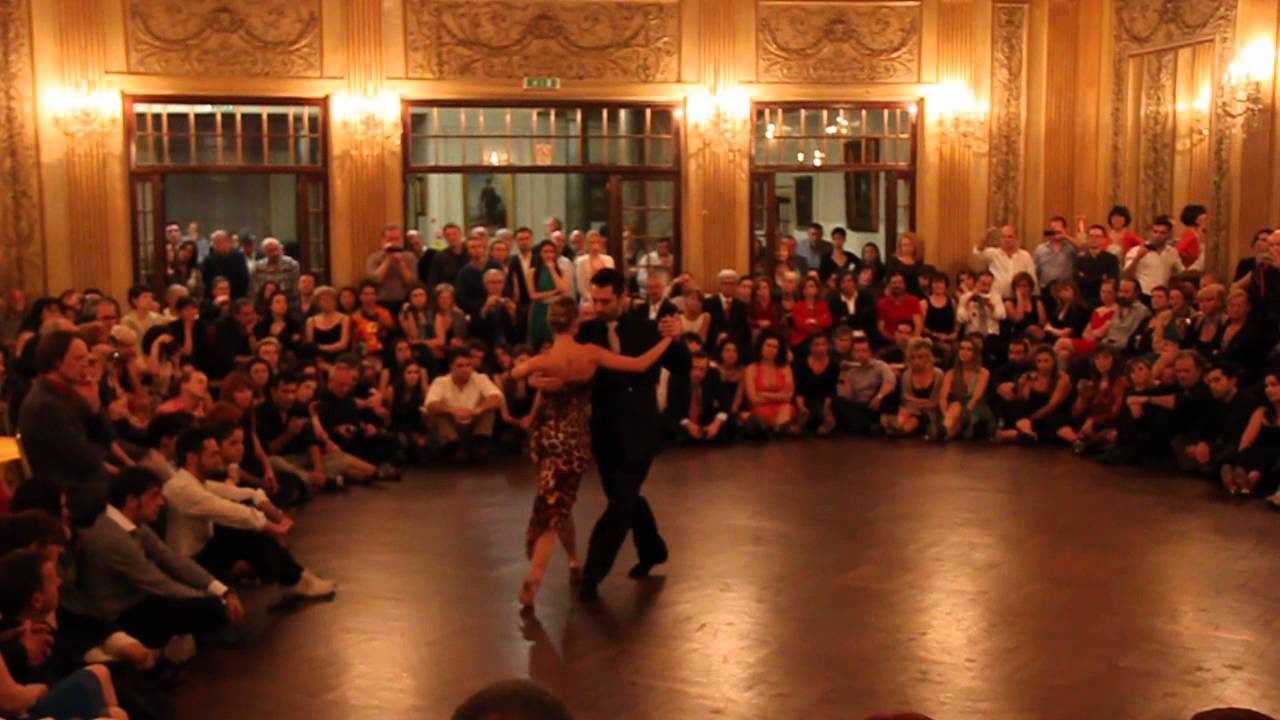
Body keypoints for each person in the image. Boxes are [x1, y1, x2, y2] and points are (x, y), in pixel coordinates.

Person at [507, 297, 677, 606]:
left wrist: (538, 380)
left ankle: (542, 570)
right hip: (575, 440)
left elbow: (516, 375)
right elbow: (639, 364)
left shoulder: (546, 357)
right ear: (575, 324)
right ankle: (567, 563)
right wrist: (666, 340)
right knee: (559, 504)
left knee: (553, 505)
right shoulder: (591, 353)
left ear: (551, 323)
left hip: (547, 436)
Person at [569, 268, 688, 600]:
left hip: (640, 429)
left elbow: (681, 367)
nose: (599, 305)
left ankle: (593, 575)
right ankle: (652, 551)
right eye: (595, 299)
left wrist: (676, 339)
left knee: (621, 501)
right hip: (605, 430)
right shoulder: (587, 333)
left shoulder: (646, 328)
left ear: (623, 296)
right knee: (625, 498)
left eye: (606, 300)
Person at [69, 466, 243, 652]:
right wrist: (217, 601)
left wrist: (222, 590)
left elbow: (170, 559)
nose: (161, 502)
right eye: (154, 496)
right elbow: (158, 583)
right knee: (205, 608)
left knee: (201, 595)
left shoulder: (131, 523)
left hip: (138, 600)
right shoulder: (114, 538)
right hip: (119, 616)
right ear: (132, 501)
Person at [163, 427, 336, 598]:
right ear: (192, 458)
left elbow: (244, 493)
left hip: (203, 547)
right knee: (248, 530)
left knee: (248, 523)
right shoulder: (182, 489)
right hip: (190, 562)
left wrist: (271, 510)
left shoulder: (193, 482)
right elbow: (229, 510)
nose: (219, 460)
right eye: (213, 455)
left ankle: (294, 577)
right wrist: (271, 526)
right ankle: (295, 580)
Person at [0, 550, 130, 720]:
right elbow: (12, 700)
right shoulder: (29, 640)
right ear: (37, 600)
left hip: (36, 696)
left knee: (102, 674)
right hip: (27, 706)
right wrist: (22, 652)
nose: (60, 582)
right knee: (114, 706)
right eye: (53, 581)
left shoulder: (23, 630)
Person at [17, 330, 109, 525]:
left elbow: (104, 442)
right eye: (78, 358)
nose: (86, 364)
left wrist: (95, 409)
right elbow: (84, 458)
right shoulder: (46, 406)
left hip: (83, 481)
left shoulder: (66, 395)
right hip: (71, 494)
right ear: (57, 363)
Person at [424, 348, 504, 463]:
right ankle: (453, 446)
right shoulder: (440, 382)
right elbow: (430, 404)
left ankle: (480, 444)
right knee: (438, 410)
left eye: (468, 365)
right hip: (452, 424)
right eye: (460, 366)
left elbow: (497, 397)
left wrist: (477, 410)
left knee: (489, 405)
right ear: (451, 367)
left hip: (473, 421)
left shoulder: (480, 378)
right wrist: (453, 410)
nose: (465, 369)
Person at [994, 344, 1072, 443]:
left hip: (1049, 414)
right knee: (1014, 404)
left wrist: (1031, 417)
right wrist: (1021, 385)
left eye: (1046, 361)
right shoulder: (1031, 376)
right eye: (1039, 361)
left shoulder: (1062, 378)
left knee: (1055, 421)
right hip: (1028, 418)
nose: (1043, 364)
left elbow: (1053, 404)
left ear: (1054, 362)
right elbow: (1023, 400)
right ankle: (1026, 432)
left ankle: (1076, 441)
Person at [833, 332, 896, 434]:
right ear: (852, 353)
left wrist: (879, 396)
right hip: (857, 407)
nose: (860, 354)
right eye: (857, 351)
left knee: (889, 395)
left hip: (874, 403)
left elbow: (890, 380)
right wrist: (844, 375)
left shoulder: (879, 365)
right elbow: (848, 396)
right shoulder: (848, 370)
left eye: (864, 351)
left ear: (870, 352)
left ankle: (866, 426)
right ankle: (870, 426)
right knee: (838, 402)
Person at [882, 337, 943, 438]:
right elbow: (905, 398)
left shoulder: (938, 374)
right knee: (910, 416)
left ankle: (895, 426)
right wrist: (919, 402)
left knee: (913, 414)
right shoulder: (907, 375)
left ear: (928, 357)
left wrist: (914, 400)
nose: (916, 361)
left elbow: (936, 401)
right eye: (913, 358)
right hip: (912, 411)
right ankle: (897, 427)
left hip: (930, 413)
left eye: (920, 357)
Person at [740, 332, 796, 435]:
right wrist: (779, 396)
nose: (771, 349)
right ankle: (778, 428)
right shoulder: (751, 368)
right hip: (760, 409)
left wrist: (765, 394)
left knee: (787, 407)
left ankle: (777, 428)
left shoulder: (785, 367)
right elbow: (754, 399)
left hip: (782, 408)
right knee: (761, 415)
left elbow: (788, 397)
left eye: (775, 347)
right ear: (761, 346)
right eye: (768, 345)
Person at [939, 334, 992, 441]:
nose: (964, 352)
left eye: (969, 349)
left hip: (976, 409)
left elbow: (976, 398)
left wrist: (962, 416)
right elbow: (943, 397)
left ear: (975, 353)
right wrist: (946, 414)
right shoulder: (950, 373)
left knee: (957, 408)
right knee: (955, 405)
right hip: (954, 411)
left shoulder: (983, 373)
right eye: (962, 348)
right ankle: (947, 429)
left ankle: (947, 430)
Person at [1123, 215, 1184, 299]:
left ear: (1169, 234)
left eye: (1162, 233)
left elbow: (1180, 272)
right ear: (1150, 232)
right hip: (1142, 295)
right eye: (1155, 232)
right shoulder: (1136, 250)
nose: (1158, 235)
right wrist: (1137, 257)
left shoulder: (1172, 252)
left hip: (1162, 296)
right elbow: (1126, 275)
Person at [527, 240, 572, 350]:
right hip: (539, 309)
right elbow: (533, 295)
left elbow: (564, 290)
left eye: (551, 252)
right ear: (540, 254)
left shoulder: (561, 271)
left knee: (556, 342)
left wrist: (552, 269)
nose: (548, 255)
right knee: (538, 342)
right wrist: (554, 292)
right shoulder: (532, 272)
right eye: (545, 251)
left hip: (556, 309)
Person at [973, 225, 1036, 300]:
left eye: (1010, 237)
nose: (1006, 240)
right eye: (1004, 237)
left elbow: (1032, 278)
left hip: (1020, 299)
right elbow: (977, 252)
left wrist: (1034, 297)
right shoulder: (993, 253)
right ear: (1000, 239)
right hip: (997, 299)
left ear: (1016, 238)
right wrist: (986, 236)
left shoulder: (1025, 255)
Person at [793, 332, 838, 435]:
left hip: (823, 400)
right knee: (805, 412)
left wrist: (826, 409)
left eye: (823, 344)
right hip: (804, 399)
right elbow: (799, 389)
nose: (821, 348)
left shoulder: (833, 365)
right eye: (817, 344)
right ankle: (803, 421)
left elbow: (830, 390)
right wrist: (801, 407)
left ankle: (824, 421)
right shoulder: (800, 364)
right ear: (810, 347)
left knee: (824, 410)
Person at [705, 269, 751, 356]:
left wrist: (729, 338)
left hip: (736, 345)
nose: (728, 286)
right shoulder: (708, 303)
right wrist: (718, 336)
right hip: (714, 345)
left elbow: (744, 329)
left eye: (731, 284)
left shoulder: (742, 306)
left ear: (736, 286)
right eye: (725, 283)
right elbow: (707, 326)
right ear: (720, 285)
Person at [1074, 223, 1121, 305]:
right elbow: (1078, 281)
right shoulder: (1079, 259)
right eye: (1091, 236)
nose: (1094, 239)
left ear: (1103, 239)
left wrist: (1086, 277)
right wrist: (1101, 277)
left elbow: (1111, 282)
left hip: (1104, 301)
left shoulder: (1112, 259)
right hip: (1084, 301)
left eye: (1098, 236)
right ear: (1087, 238)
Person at [305, 286, 350, 366]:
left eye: (331, 298)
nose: (328, 301)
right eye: (324, 299)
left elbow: (343, 344)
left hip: (340, 358)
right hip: (318, 359)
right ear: (318, 302)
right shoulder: (311, 321)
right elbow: (310, 346)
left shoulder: (344, 318)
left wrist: (322, 347)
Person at [198, 230, 250, 299]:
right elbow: (207, 282)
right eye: (215, 242)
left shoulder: (238, 257)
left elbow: (244, 279)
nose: (217, 245)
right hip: (215, 298)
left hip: (236, 296)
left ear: (227, 242)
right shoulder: (208, 260)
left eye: (220, 242)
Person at [251, 237, 301, 305]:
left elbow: (296, 286)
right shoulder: (258, 267)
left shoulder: (291, 264)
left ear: (280, 249)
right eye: (270, 251)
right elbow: (254, 289)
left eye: (276, 249)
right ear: (264, 252)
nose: (274, 253)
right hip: (266, 303)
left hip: (288, 301)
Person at [875, 271, 922, 342]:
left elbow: (918, 325)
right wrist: (897, 340)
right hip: (890, 342)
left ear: (904, 285)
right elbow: (881, 329)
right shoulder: (881, 303)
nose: (897, 285)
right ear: (888, 285)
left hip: (911, 342)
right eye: (894, 283)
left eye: (900, 283)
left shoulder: (913, 300)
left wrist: (912, 341)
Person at [789, 276, 832, 350]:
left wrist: (812, 321)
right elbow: (800, 324)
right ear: (803, 291)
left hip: (820, 339)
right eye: (806, 287)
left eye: (812, 286)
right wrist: (818, 322)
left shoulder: (823, 305)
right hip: (802, 340)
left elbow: (828, 321)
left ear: (817, 289)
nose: (809, 289)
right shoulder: (797, 306)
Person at [572, 231, 615, 303]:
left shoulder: (609, 260)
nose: (595, 245)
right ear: (587, 244)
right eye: (592, 242)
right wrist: (593, 300)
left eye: (597, 242)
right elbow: (581, 287)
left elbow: (612, 281)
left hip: (606, 299)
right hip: (587, 301)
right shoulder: (581, 261)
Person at [426, 223, 468, 293]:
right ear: (445, 238)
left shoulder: (470, 253)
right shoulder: (439, 257)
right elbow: (433, 281)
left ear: (461, 234)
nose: (452, 237)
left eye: (454, 234)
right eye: (448, 235)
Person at [1176, 204, 1208, 271]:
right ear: (1198, 220)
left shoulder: (1193, 234)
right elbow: (1178, 251)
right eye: (1205, 219)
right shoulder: (1191, 235)